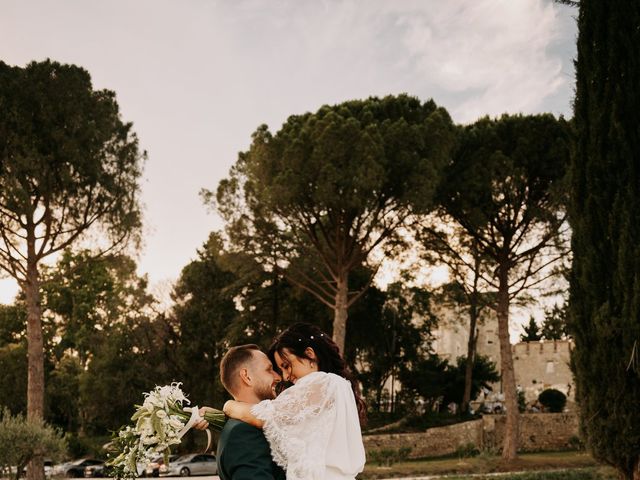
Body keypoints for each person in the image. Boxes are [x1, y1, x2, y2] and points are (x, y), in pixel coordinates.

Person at [222, 323, 366, 480]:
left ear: (310, 355)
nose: (285, 377)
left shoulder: (323, 382)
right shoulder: (333, 387)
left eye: (286, 366)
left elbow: (264, 416)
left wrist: (229, 405)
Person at [197, 344, 285, 480]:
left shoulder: (239, 425)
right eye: (269, 370)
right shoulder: (243, 434)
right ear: (246, 376)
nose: (278, 376)